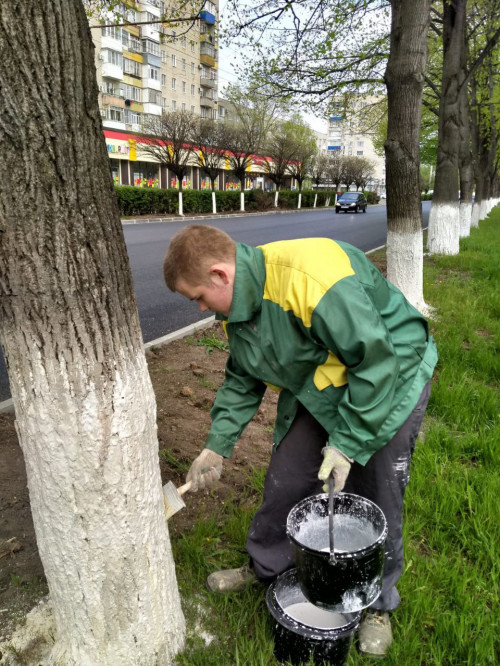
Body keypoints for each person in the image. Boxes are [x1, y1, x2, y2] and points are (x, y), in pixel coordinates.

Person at [163, 225, 437, 658]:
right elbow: (243, 377)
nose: (199, 307)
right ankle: (266, 565)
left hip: (391, 371)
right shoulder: (240, 306)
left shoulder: (311, 280)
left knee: (376, 488)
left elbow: (376, 361)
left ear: (220, 274)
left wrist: (346, 445)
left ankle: (377, 604)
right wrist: (216, 446)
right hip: (326, 378)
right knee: (289, 475)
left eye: (197, 296)